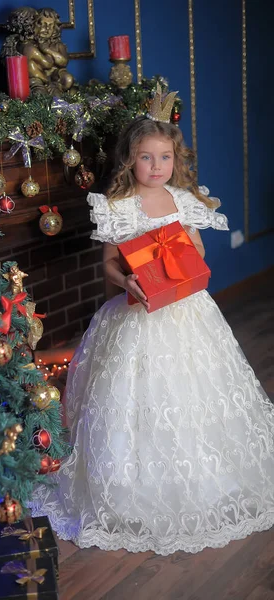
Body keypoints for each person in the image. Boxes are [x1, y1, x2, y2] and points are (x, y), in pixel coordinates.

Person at [30, 86, 274, 555]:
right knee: (130, 395)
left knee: (195, 391)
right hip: (136, 313)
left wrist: (181, 247)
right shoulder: (118, 206)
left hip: (185, 310)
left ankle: (208, 481)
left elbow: (198, 254)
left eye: (165, 157)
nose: (156, 166)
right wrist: (129, 284)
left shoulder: (184, 200)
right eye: (146, 157)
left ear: (174, 160)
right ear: (130, 161)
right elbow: (108, 265)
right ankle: (126, 490)